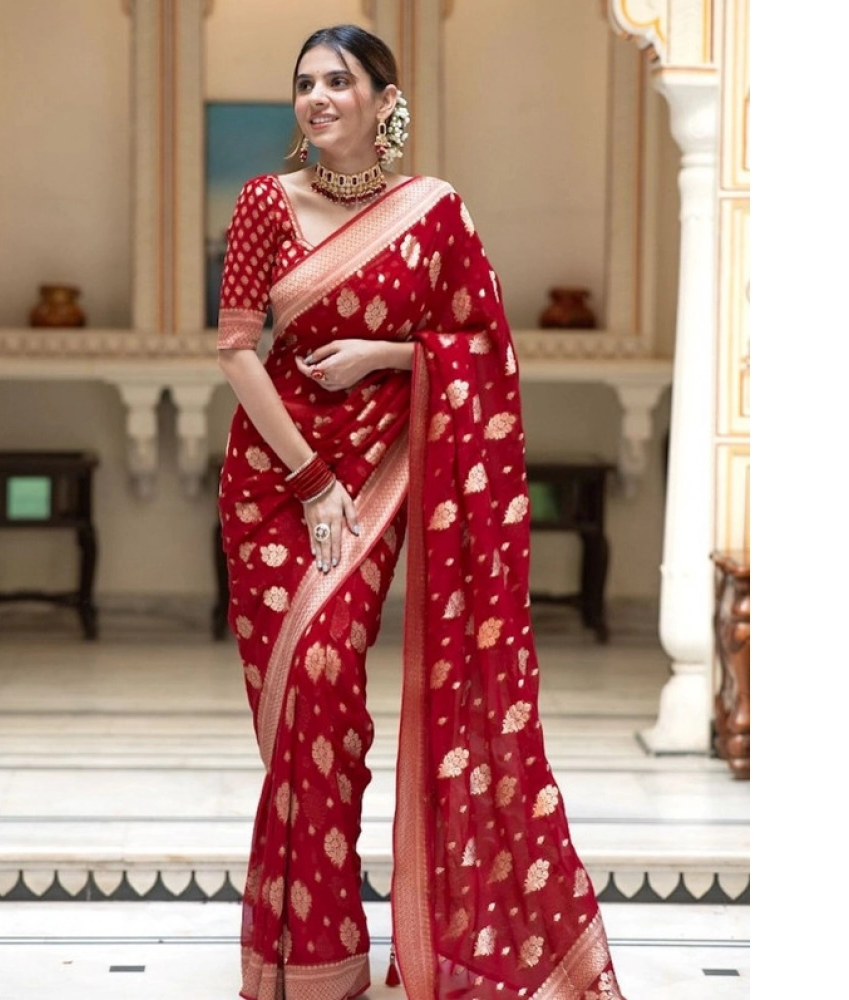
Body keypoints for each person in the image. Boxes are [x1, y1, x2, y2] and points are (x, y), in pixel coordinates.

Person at [216, 24, 627, 1000]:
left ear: (384, 100)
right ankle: (308, 957)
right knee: (299, 701)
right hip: (277, 477)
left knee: (329, 676)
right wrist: (309, 480)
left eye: (338, 80)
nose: (317, 97)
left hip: (383, 468)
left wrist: (386, 356)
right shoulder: (266, 201)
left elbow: (483, 346)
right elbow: (236, 350)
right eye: (304, 83)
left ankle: (326, 951)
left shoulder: (433, 212)